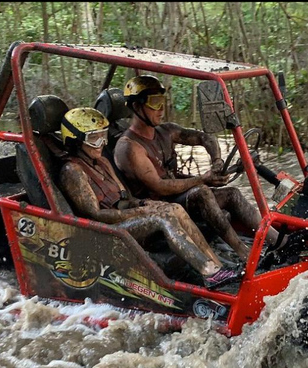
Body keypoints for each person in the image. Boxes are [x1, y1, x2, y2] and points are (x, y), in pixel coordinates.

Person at [55, 107, 240, 289]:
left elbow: (125, 196)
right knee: (162, 219)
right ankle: (208, 271)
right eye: (94, 139)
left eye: (102, 136)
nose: (101, 143)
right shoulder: (72, 170)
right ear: (75, 140)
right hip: (104, 231)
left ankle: (216, 269)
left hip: (124, 217)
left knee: (173, 209)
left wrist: (143, 203)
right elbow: (96, 215)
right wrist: (140, 212)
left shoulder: (102, 161)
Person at [113, 75, 285, 262]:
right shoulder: (129, 147)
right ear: (137, 107)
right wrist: (202, 179)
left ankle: (280, 242)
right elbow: (158, 187)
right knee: (202, 193)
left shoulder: (167, 131)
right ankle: (244, 254)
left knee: (232, 194)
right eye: (155, 103)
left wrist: (217, 161)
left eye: (162, 101)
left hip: (179, 199)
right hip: (157, 209)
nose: (161, 109)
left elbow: (206, 138)